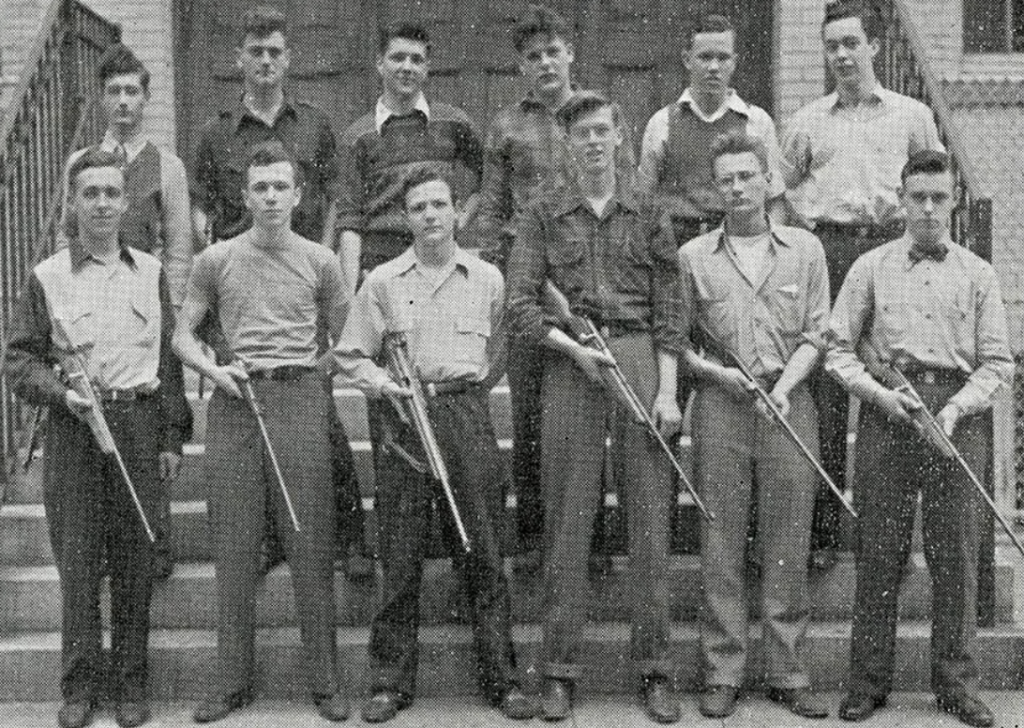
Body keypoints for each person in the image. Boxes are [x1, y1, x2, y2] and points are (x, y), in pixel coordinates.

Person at [508, 90, 683, 724]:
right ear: (566, 142)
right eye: (579, 133)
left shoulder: (649, 211)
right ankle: (557, 671)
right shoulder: (542, 214)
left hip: (637, 356)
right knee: (568, 525)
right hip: (572, 365)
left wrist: (666, 390)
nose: (592, 142)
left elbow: (671, 310)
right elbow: (522, 307)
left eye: (602, 130)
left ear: (620, 136)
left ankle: (656, 669)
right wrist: (574, 350)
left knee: (650, 527)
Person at [334, 168, 533, 724]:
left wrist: (468, 389)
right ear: (405, 217)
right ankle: (389, 683)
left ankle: (504, 680)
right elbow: (350, 354)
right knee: (399, 555)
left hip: (465, 415)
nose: (429, 216)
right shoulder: (382, 282)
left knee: (486, 552)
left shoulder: (488, 278)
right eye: (418, 207)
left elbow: (499, 347)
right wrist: (386, 386)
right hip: (403, 420)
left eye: (439, 205)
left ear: (456, 213)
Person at [826, 150, 1012, 727]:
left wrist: (954, 411)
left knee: (955, 554)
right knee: (880, 554)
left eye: (939, 197)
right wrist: (880, 397)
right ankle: (867, 682)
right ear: (901, 201)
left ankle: (956, 686)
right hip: (890, 414)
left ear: (954, 201)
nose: (929, 209)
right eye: (918, 197)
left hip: (958, 416)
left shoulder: (979, 273)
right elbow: (837, 349)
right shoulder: (869, 267)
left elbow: (998, 363)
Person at [6, 149, 190, 728]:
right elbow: (18, 360)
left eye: (112, 193)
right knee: (79, 564)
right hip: (75, 430)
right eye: (91, 193)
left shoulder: (152, 273)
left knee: (136, 563)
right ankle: (80, 688)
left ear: (127, 201)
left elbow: (167, 360)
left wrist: (170, 439)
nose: (103, 203)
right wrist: (61, 395)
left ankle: (132, 685)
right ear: (74, 202)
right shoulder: (49, 276)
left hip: (136, 426)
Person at [188, 4, 367, 577]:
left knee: (316, 415)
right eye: (255, 52)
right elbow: (200, 215)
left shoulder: (314, 125)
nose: (265, 62)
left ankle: (350, 538)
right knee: (249, 417)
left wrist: (329, 261)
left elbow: (336, 201)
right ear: (240, 59)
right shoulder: (215, 134)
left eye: (275, 53)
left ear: (288, 60)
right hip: (238, 290)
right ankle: (265, 539)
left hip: (301, 281)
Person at [174, 142, 349, 723]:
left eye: (281, 187)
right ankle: (232, 682)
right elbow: (181, 337)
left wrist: (307, 377)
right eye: (260, 188)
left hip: (298, 400)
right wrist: (213, 370)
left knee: (309, 540)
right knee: (234, 544)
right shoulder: (216, 259)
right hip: (234, 402)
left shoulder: (322, 260)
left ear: (298, 196)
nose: (271, 198)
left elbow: (347, 343)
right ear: (245, 195)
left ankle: (325, 682)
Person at [782, 0, 944, 568]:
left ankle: (893, 537)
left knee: (891, 373)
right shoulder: (807, 121)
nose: (843, 56)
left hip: (890, 249)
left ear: (874, 47)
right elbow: (784, 189)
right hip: (831, 249)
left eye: (852, 43)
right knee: (828, 383)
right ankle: (824, 531)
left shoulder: (911, 114)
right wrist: (810, 227)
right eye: (832, 46)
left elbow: (934, 185)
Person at [678, 131, 830, 720]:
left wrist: (785, 388)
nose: (739, 188)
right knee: (720, 539)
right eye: (727, 180)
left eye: (748, 176)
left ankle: (787, 672)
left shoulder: (805, 250)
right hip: (721, 408)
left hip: (789, 405)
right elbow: (682, 342)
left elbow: (818, 333)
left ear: (770, 181)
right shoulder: (693, 257)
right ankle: (722, 672)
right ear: (716, 190)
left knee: (787, 539)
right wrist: (718, 375)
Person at [59, 43, 193, 580]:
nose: (122, 101)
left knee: (154, 427)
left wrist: (173, 311)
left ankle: (154, 542)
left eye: (131, 91)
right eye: (112, 91)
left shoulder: (168, 166)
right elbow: (70, 237)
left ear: (146, 97)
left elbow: (179, 244)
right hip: (96, 302)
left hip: (148, 305)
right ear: (102, 98)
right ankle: (107, 545)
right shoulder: (83, 163)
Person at [335, 20, 484, 294]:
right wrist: (350, 295)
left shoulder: (454, 123)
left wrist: (461, 218)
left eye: (416, 60)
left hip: (439, 263)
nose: (407, 67)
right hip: (380, 267)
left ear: (426, 68)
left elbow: (489, 181)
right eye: (397, 58)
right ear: (380, 63)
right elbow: (348, 222)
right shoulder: (357, 137)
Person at [637, 14, 785, 248]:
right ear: (687, 60)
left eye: (723, 58)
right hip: (674, 248)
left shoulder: (756, 121)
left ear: (734, 62)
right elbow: (643, 199)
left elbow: (775, 200)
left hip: (736, 245)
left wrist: (770, 251)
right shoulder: (662, 123)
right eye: (705, 57)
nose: (714, 67)